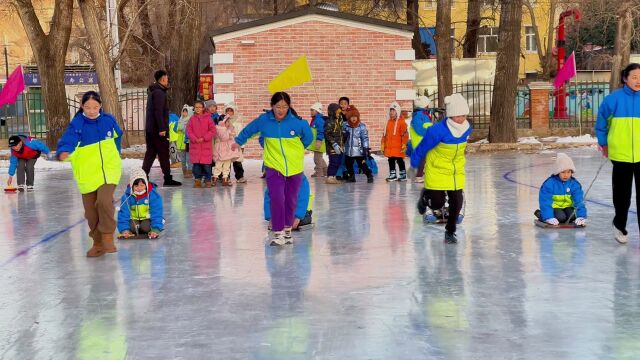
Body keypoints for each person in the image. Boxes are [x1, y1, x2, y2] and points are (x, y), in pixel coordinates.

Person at [232, 92, 313, 246]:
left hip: (294, 167)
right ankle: (278, 233)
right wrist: (238, 141)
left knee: (290, 199)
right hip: (274, 166)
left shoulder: (298, 123)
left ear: (289, 107)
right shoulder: (265, 121)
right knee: (276, 197)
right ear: (272, 106)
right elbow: (250, 129)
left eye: (284, 107)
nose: (281, 110)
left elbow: (308, 138)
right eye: (278, 107)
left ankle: (287, 231)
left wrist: (297, 149)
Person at [56, 91, 123, 257]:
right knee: (90, 213)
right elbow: (68, 140)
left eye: (95, 107)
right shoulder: (78, 123)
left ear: (100, 105)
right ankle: (98, 243)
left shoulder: (108, 121)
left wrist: (116, 154)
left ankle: (107, 236)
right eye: (87, 107)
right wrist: (64, 151)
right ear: (82, 107)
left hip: (108, 170)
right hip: (87, 173)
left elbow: (118, 137)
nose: (91, 111)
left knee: (104, 201)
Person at [411, 93, 472, 244]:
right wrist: (414, 162)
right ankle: (425, 198)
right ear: (450, 115)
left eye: (464, 115)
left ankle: (450, 232)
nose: (461, 119)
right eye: (458, 116)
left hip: (455, 170)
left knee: (457, 201)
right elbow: (423, 147)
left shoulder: (466, 128)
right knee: (437, 203)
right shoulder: (436, 131)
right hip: (437, 169)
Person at [596, 63, 640, 244]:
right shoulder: (612, 100)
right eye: (635, 77)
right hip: (620, 155)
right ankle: (619, 225)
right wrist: (603, 143)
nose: (638, 80)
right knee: (622, 196)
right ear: (625, 78)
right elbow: (601, 124)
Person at [142, 70, 181, 186]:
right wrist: (162, 128)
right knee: (163, 153)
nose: (168, 80)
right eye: (167, 78)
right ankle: (167, 179)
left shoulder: (153, 92)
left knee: (151, 153)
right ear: (163, 79)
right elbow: (158, 112)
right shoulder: (159, 93)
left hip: (151, 129)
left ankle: (143, 178)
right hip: (157, 130)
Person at [535, 153, 587, 226]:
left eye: (568, 172)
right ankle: (541, 214)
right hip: (554, 207)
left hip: (567, 207)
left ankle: (563, 216)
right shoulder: (549, 184)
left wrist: (581, 216)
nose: (566, 175)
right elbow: (545, 202)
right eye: (563, 172)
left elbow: (579, 201)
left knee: (573, 216)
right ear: (558, 172)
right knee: (561, 218)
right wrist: (548, 217)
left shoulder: (574, 184)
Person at [117, 168, 164, 239]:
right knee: (132, 228)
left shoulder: (153, 195)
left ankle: (149, 229)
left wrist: (155, 229)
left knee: (145, 227)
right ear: (132, 185)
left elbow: (156, 212)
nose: (139, 188)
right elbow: (123, 213)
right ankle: (133, 229)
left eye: (142, 185)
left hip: (148, 219)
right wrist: (124, 230)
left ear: (146, 185)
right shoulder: (127, 197)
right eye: (136, 186)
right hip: (134, 219)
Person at [186, 100, 216, 188]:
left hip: (205, 146)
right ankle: (197, 180)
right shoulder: (192, 119)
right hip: (195, 146)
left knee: (207, 166)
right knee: (196, 166)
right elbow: (188, 131)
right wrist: (195, 139)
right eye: (196, 107)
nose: (198, 109)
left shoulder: (208, 118)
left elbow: (212, 130)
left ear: (203, 108)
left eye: (199, 107)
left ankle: (207, 180)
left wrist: (204, 138)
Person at [343, 107, 373, 183]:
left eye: (355, 117)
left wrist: (365, 148)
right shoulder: (345, 125)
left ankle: (369, 174)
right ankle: (352, 177)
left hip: (359, 150)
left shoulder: (361, 126)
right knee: (348, 163)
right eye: (351, 117)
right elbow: (341, 136)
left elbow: (365, 138)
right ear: (348, 118)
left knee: (362, 164)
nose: (354, 119)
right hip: (348, 150)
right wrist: (344, 135)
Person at [408, 95, 433, 183]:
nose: (428, 106)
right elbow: (419, 129)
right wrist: (429, 131)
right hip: (420, 141)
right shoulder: (418, 116)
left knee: (426, 158)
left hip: (425, 141)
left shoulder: (424, 115)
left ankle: (422, 172)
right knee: (422, 159)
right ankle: (418, 176)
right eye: (427, 104)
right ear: (424, 105)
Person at [382, 101, 409, 182]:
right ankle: (392, 174)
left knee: (400, 160)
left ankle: (403, 174)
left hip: (399, 146)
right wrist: (383, 143)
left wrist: (404, 144)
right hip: (390, 147)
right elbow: (384, 134)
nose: (391, 112)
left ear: (397, 112)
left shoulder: (401, 122)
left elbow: (405, 134)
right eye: (390, 111)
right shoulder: (388, 122)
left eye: (393, 111)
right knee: (391, 160)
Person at [213, 113, 241, 186]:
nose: (229, 123)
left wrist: (231, 132)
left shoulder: (227, 129)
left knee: (227, 165)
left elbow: (232, 135)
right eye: (227, 121)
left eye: (229, 122)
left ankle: (225, 178)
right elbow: (224, 138)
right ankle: (215, 178)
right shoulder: (219, 129)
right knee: (219, 164)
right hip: (221, 149)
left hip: (227, 150)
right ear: (222, 122)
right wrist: (229, 133)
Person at [223, 102, 247, 183]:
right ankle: (226, 177)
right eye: (227, 111)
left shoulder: (238, 123)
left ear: (234, 112)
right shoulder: (223, 122)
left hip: (236, 145)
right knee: (226, 162)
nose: (229, 113)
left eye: (231, 111)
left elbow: (241, 135)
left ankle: (240, 176)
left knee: (237, 161)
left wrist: (242, 145)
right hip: (226, 145)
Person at [324, 103, 344, 184]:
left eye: (339, 113)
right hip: (332, 147)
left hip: (340, 146)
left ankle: (334, 176)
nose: (339, 114)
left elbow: (340, 134)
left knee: (338, 161)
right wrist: (334, 144)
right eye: (337, 113)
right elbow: (327, 134)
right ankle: (330, 176)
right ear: (332, 112)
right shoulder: (329, 122)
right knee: (333, 162)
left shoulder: (339, 121)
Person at [308, 102, 327, 177]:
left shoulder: (319, 120)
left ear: (318, 111)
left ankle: (319, 172)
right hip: (317, 142)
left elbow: (320, 131)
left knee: (317, 158)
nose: (311, 111)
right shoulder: (315, 119)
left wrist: (319, 141)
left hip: (320, 142)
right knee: (319, 158)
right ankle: (325, 171)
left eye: (313, 110)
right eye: (311, 110)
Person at [176, 104, 194, 178]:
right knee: (182, 159)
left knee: (189, 159)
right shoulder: (180, 120)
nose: (184, 113)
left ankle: (189, 172)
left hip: (187, 142)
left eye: (186, 112)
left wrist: (182, 128)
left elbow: (185, 130)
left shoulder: (190, 120)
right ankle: (184, 171)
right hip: (180, 143)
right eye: (183, 112)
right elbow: (176, 129)